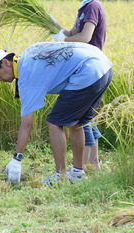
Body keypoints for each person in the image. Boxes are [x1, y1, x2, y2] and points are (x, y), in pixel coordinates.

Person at [0, 42, 112, 185]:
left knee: (55, 122)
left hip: (87, 71)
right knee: (77, 121)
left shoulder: (26, 76)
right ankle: (77, 173)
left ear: (6, 62)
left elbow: (27, 125)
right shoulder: (30, 51)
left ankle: (60, 176)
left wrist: (16, 160)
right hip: (103, 66)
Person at [52, 0, 107, 170]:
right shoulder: (84, 6)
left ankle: (84, 165)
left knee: (81, 120)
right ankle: (94, 163)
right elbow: (74, 32)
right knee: (87, 118)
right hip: (88, 68)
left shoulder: (92, 6)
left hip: (89, 69)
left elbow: (84, 38)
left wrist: (64, 40)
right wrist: (55, 27)